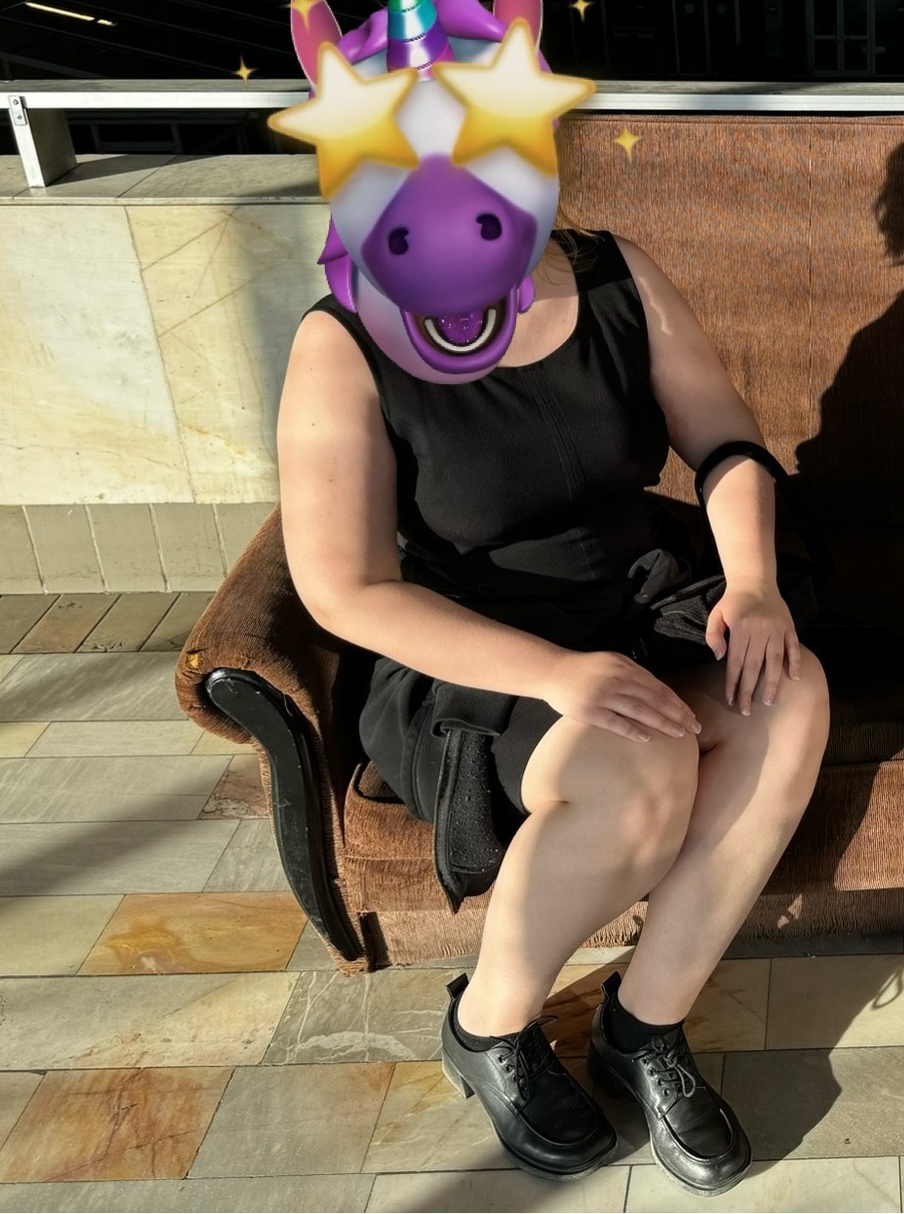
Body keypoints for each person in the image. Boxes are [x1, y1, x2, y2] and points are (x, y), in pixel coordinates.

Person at [276, 215, 829, 1194]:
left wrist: (752, 582)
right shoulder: (343, 338)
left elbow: (725, 439)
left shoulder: (614, 272)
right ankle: (487, 1025)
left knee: (787, 693)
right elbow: (342, 590)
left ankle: (642, 1025)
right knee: (636, 761)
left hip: (636, 595)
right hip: (469, 645)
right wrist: (555, 674)